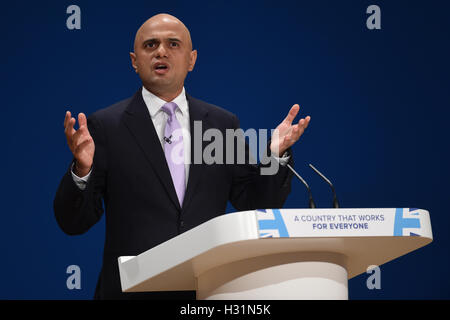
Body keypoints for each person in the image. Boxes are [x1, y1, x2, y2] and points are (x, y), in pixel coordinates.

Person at [54, 13, 311, 300]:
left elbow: (256, 203)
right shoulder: (105, 126)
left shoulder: (221, 124)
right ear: (134, 61)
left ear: (192, 59)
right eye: (150, 45)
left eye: (173, 44)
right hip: (131, 292)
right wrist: (82, 169)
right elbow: (73, 222)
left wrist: (274, 156)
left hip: (206, 292)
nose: (161, 51)